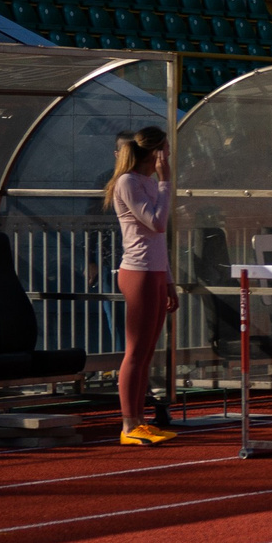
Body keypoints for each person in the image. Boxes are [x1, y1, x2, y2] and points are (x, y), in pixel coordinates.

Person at [107, 127, 178, 446]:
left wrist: (170, 282)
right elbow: (157, 222)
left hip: (155, 272)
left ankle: (139, 419)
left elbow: (161, 238)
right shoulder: (128, 182)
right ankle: (128, 423)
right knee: (135, 351)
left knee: (148, 350)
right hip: (138, 272)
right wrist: (166, 182)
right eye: (164, 149)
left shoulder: (147, 182)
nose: (167, 154)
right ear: (153, 152)